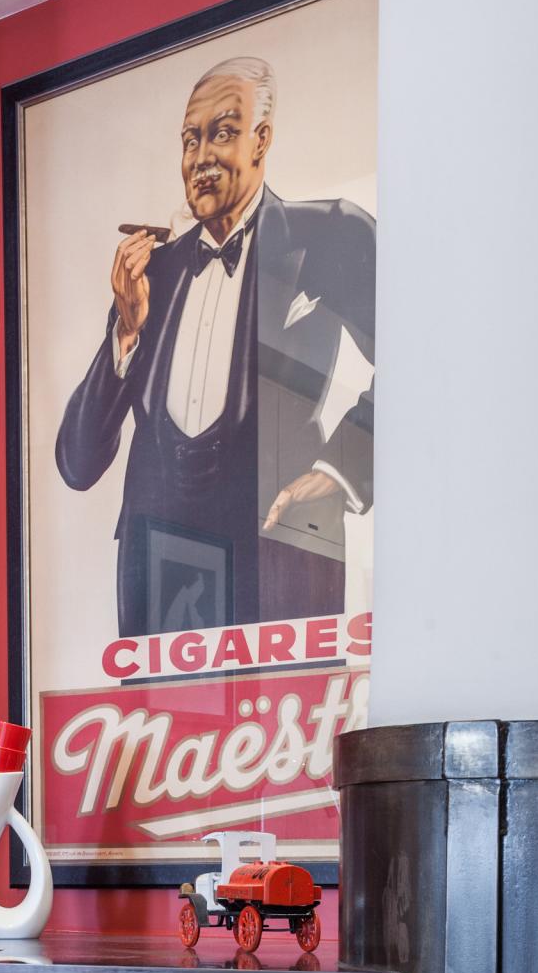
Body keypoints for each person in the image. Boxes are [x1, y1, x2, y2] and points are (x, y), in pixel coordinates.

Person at [55, 55, 375, 638]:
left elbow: (422, 359)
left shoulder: (331, 234)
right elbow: (77, 464)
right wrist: (125, 331)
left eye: (223, 133)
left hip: (281, 566)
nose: (201, 157)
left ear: (262, 140)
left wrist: (340, 469)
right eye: (190, 140)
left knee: (282, 732)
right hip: (158, 582)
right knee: (157, 733)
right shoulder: (154, 269)